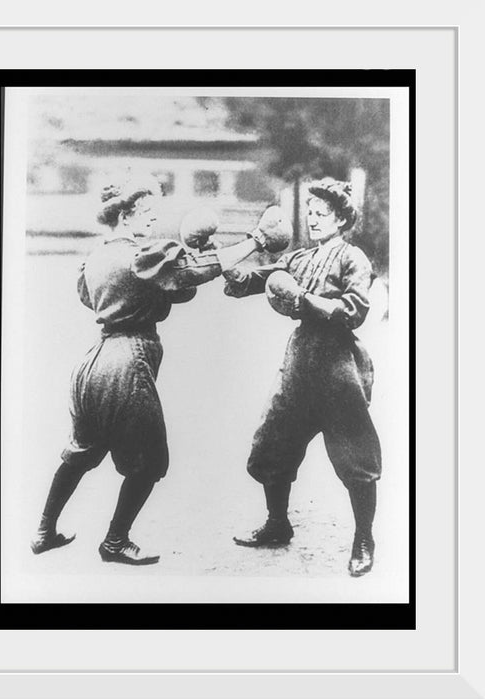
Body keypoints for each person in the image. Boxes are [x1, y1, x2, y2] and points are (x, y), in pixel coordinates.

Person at [30, 174, 291, 565]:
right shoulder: (140, 256)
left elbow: (165, 288)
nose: (153, 220)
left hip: (93, 363)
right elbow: (190, 274)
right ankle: (115, 542)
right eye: (147, 213)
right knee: (150, 463)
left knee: (82, 452)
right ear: (127, 214)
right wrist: (254, 240)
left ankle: (43, 531)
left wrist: (190, 256)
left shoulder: (97, 257)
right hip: (128, 362)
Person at [223, 178, 382, 577]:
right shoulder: (299, 259)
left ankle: (364, 538)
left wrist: (304, 300)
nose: (312, 220)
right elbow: (253, 282)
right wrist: (224, 261)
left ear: (342, 218)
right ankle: (277, 524)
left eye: (321, 213)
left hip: (336, 366)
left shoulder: (353, 259)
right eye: (310, 213)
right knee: (271, 445)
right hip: (299, 362)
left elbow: (355, 309)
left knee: (356, 458)